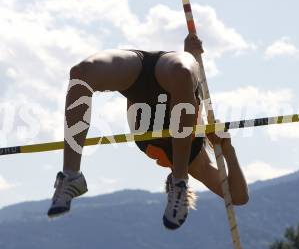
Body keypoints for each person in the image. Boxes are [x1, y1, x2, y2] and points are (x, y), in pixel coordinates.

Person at [47, 34, 249, 230]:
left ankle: (179, 183)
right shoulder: (194, 155)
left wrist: (229, 149)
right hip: (167, 69)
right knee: (81, 72)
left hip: (143, 80)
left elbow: (238, 198)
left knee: (82, 72)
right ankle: (72, 175)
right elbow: (239, 196)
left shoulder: (194, 164)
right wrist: (227, 149)